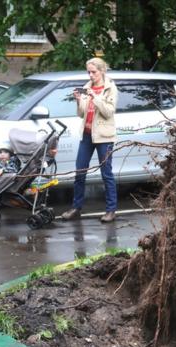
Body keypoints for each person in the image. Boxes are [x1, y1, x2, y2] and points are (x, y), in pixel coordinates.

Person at [61, 57, 119, 223]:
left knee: (106, 173)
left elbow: (108, 112)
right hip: (87, 134)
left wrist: (96, 97)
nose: (91, 75)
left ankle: (111, 210)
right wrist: (79, 100)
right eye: (89, 72)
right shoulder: (87, 87)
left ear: (102, 71)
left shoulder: (110, 88)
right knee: (80, 172)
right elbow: (81, 114)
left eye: (93, 72)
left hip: (104, 137)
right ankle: (76, 208)